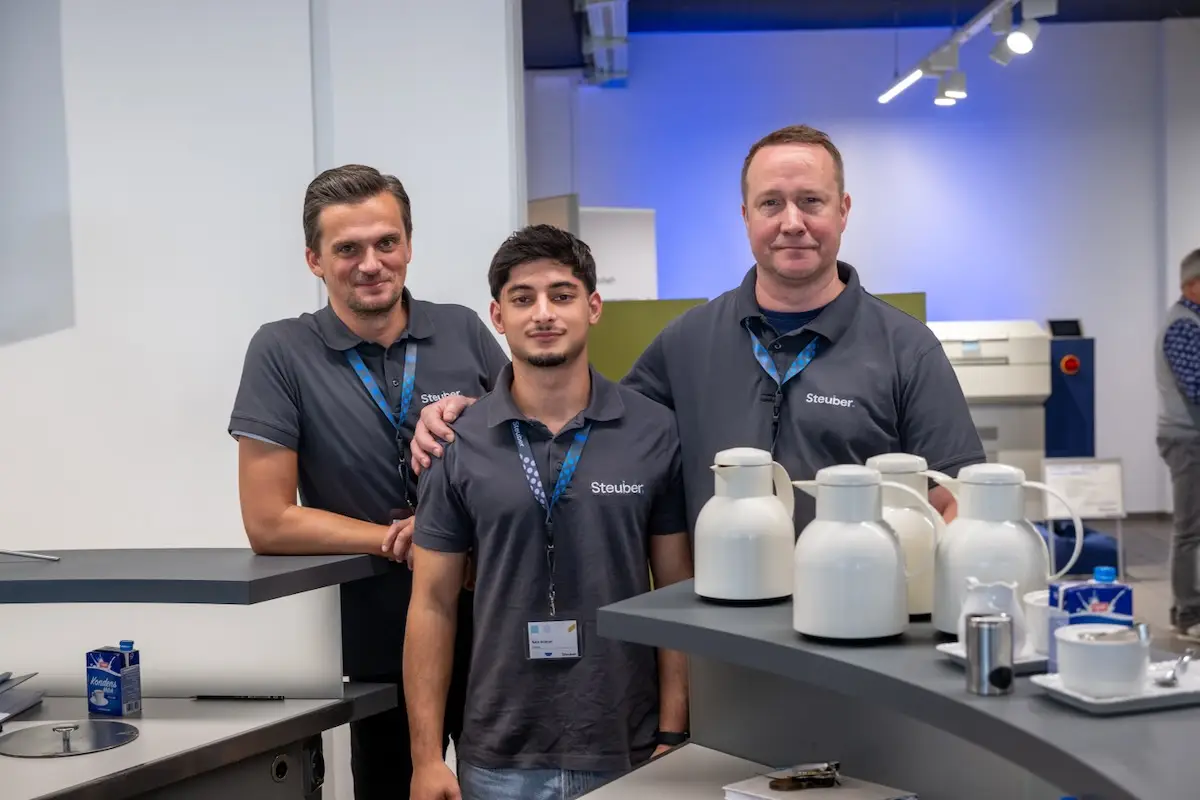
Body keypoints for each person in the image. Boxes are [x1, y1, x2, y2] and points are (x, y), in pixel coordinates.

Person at [408, 124, 985, 539]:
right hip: (719, 632)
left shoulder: (906, 349)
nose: (792, 222)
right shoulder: (687, 342)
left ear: (843, 210)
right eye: (771, 203)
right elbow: (590, 425)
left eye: (811, 201)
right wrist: (477, 415)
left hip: (861, 630)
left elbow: (954, 501)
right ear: (746, 216)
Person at [227, 164, 509, 799]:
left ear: (408, 244)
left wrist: (477, 419)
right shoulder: (282, 351)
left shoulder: (464, 329)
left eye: (387, 242)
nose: (372, 264)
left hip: (489, 619)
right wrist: (400, 538)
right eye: (347, 249)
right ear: (315, 260)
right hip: (375, 635)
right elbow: (269, 521)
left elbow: (528, 451)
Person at [403, 224, 694, 800]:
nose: (543, 313)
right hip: (498, 758)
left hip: (629, 749)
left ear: (593, 307)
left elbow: (675, 591)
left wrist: (673, 730)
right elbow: (432, 604)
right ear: (497, 315)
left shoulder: (653, 431)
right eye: (522, 298)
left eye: (562, 295)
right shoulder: (457, 441)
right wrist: (426, 758)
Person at [1156, 247, 1200, 640]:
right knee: (1190, 528)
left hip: (1190, 437)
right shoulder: (1184, 327)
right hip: (1187, 440)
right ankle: (1188, 614)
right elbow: (1197, 385)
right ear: (1192, 285)